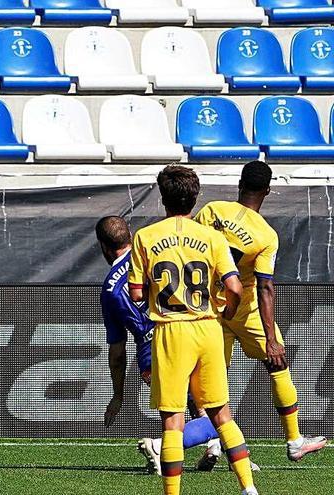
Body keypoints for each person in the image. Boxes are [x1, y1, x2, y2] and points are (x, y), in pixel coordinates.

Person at [128, 165, 258, 495]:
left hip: (172, 332)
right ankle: (249, 488)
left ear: (163, 198)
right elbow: (235, 287)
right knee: (222, 416)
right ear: (195, 197)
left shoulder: (145, 236)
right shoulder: (213, 237)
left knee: (172, 421)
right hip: (208, 328)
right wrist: (225, 313)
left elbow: (137, 294)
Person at [194, 160, 327, 462]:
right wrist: (271, 337)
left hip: (209, 308)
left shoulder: (212, 210)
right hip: (245, 309)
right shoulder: (266, 235)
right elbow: (266, 287)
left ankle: (212, 442)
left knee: (210, 378)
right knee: (277, 365)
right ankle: (294, 441)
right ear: (267, 190)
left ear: (239, 184)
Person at [96, 216, 223, 475]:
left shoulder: (109, 289)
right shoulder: (154, 255)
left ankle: (217, 449)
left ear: (104, 247)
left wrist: (118, 394)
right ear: (130, 236)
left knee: (199, 406)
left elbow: (117, 352)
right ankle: (163, 446)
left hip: (151, 357)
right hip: (182, 335)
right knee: (216, 414)